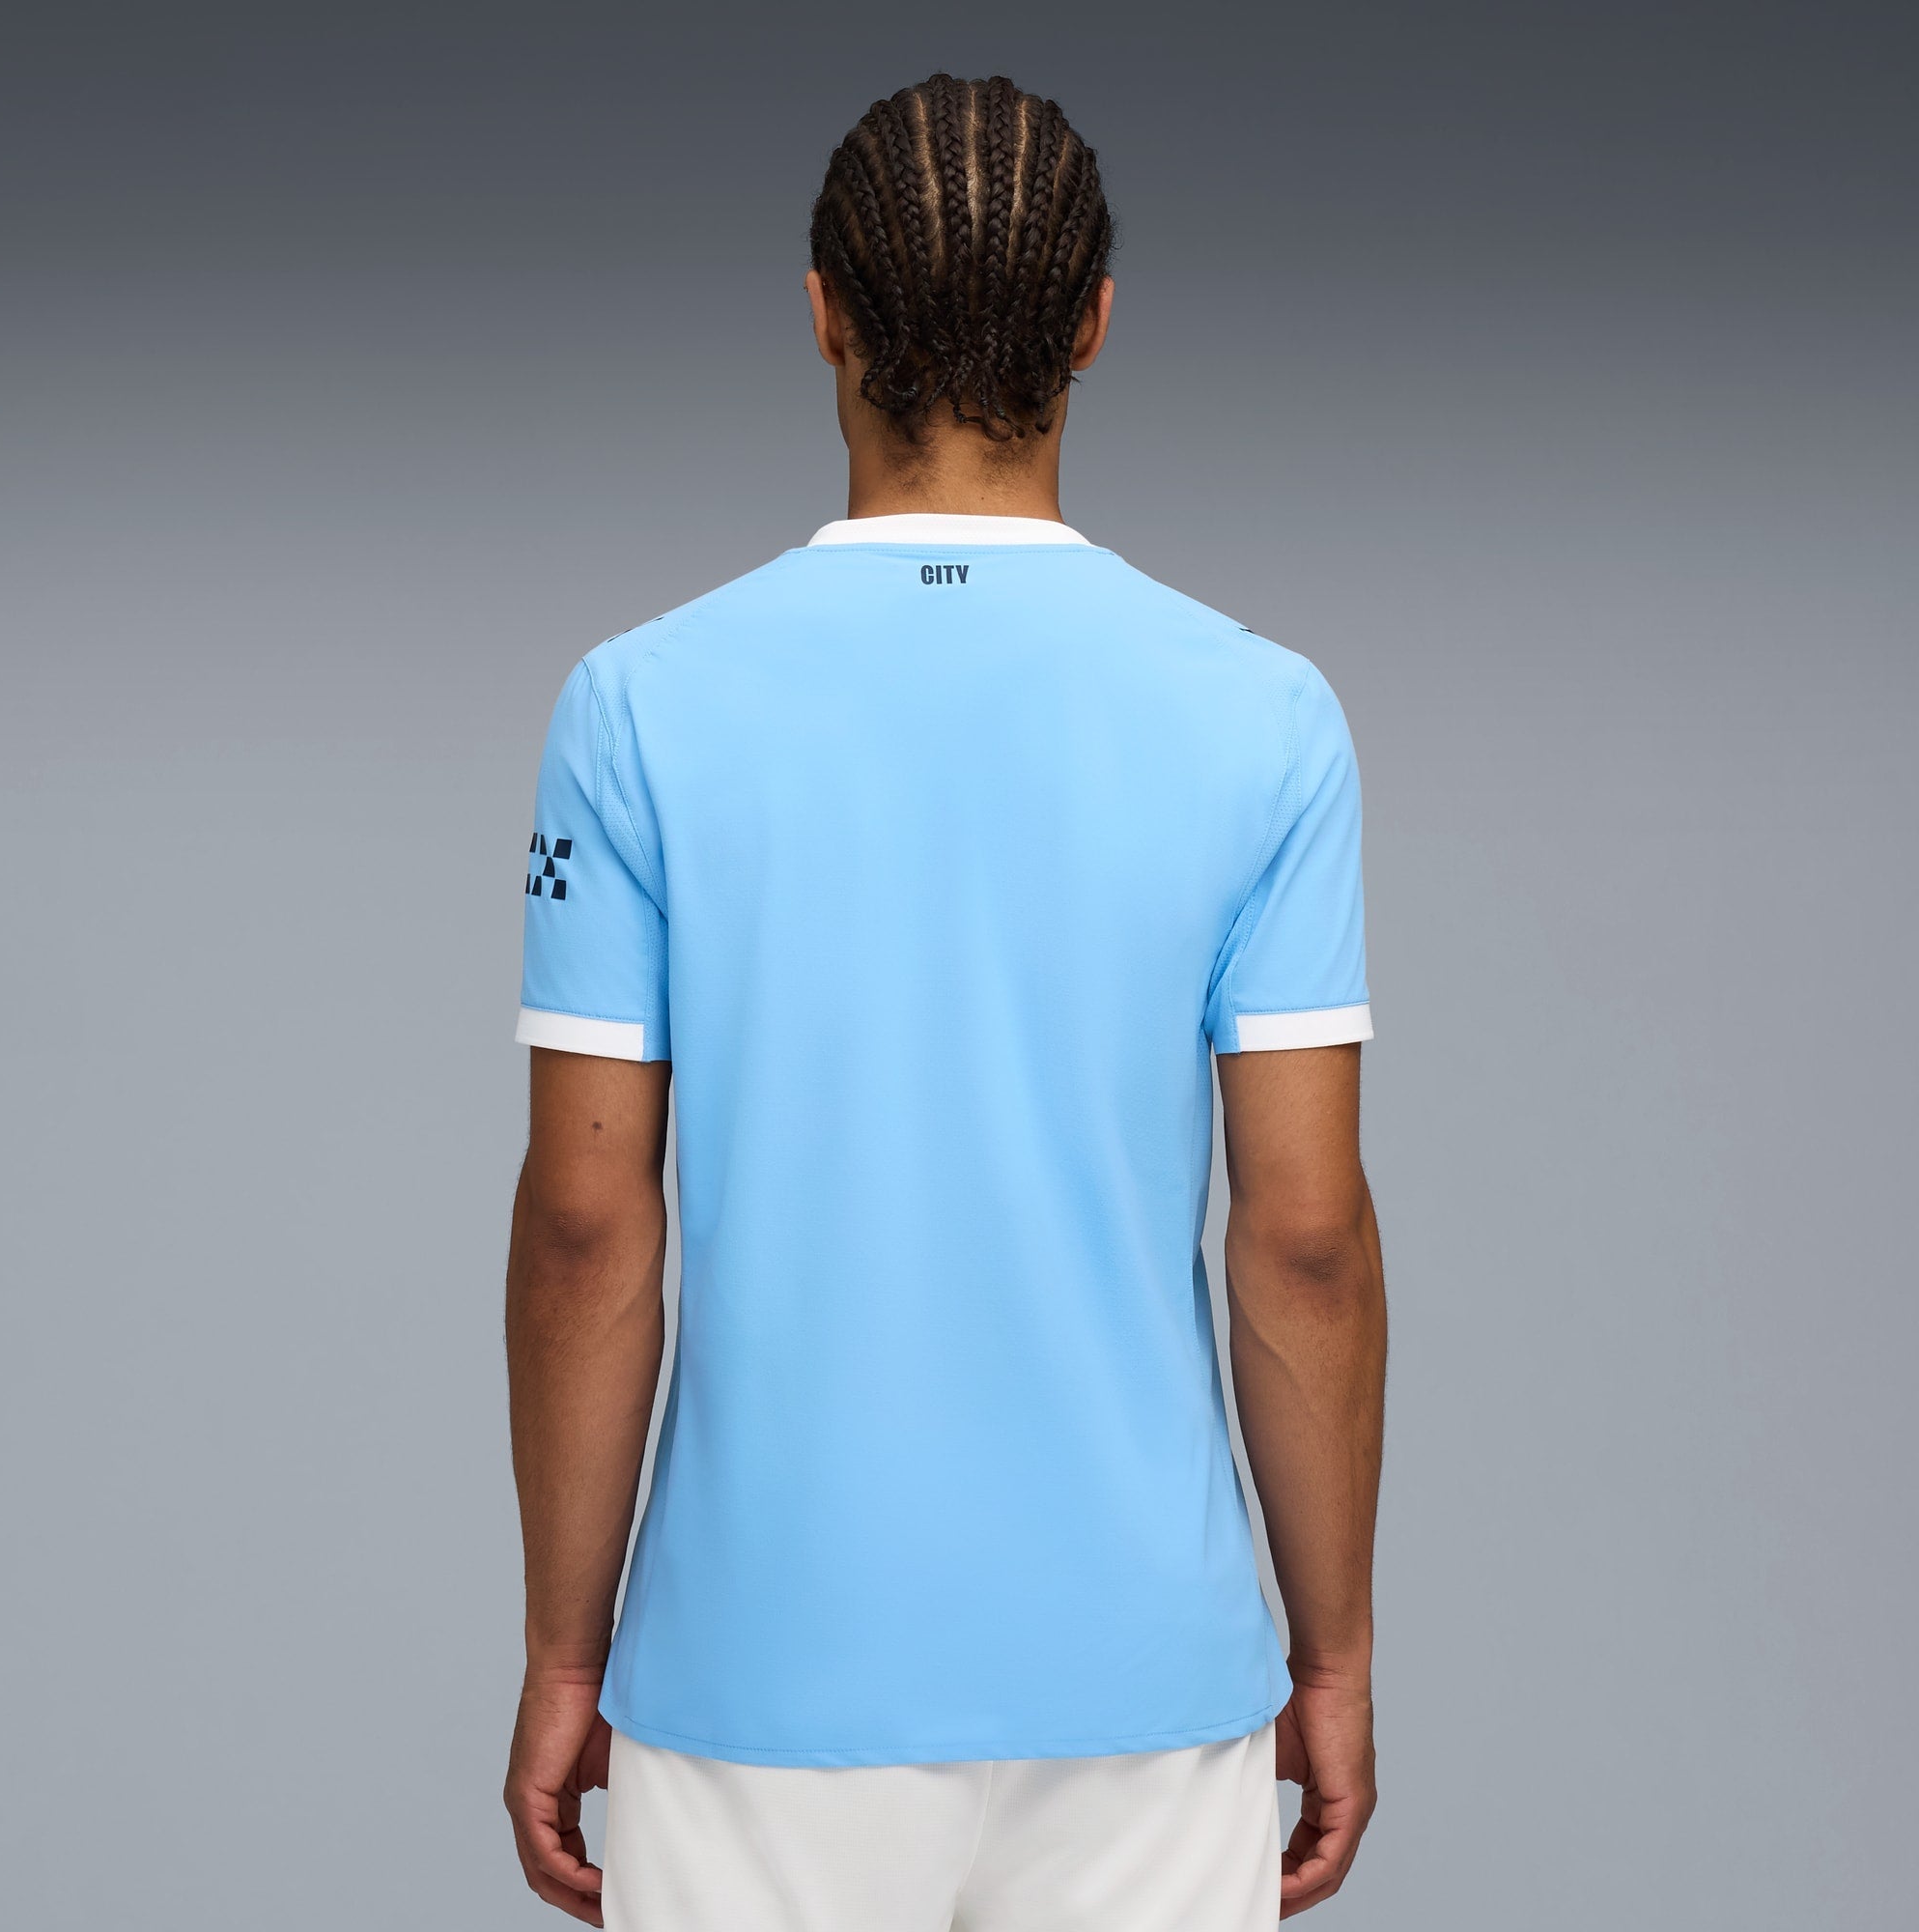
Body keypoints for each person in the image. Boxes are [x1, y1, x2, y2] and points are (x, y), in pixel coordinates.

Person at [502, 71, 1386, 1931]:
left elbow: (589, 1227)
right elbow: (1302, 1241)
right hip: (1150, 1690)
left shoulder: (637, 707)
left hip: (756, 1681)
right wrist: (1333, 1654)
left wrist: (567, 1655)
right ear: (1094, 325)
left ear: (823, 312)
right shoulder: (1266, 718)